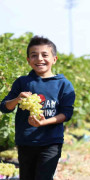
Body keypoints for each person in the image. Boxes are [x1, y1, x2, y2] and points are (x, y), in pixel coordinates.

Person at [0, 36, 76, 180]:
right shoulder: (22, 82)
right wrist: (17, 99)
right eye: (34, 55)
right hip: (25, 142)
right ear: (28, 60)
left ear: (54, 59)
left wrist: (44, 122)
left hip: (51, 142)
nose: (39, 59)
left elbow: (66, 114)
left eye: (45, 55)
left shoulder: (63, 84)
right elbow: (4, 107)